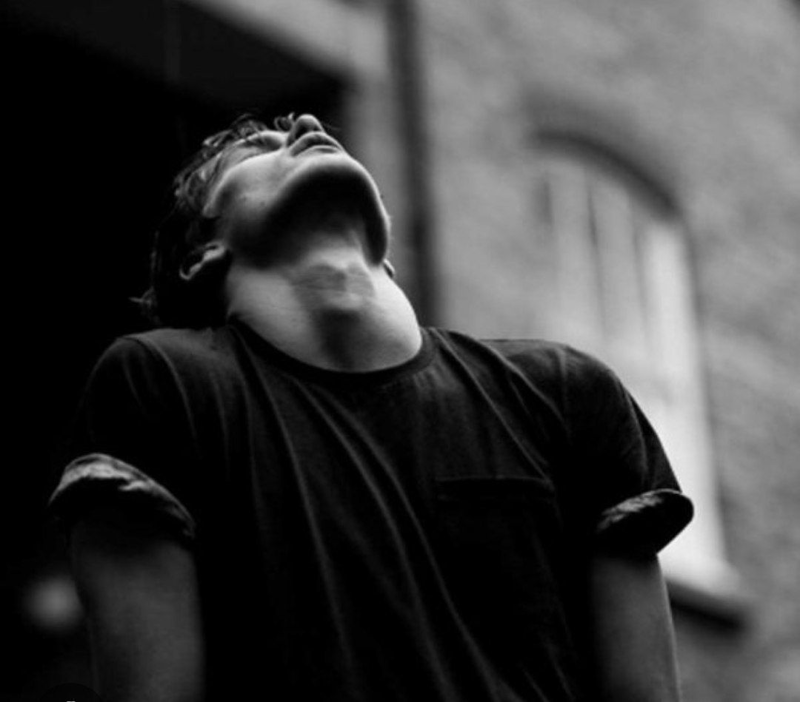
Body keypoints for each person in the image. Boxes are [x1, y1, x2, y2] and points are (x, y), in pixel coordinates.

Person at [50, 113, 694, 702]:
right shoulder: (159, 384)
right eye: (259, 150)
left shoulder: (567, 392)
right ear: (202, 256)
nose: (307, 127)